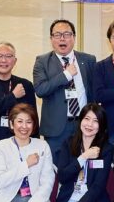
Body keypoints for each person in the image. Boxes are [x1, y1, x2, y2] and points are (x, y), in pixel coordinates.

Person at [34, 19, 96, 157]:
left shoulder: (88, 60)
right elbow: (40, 90)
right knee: (56, 167)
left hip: (84, 125)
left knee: (83, 163)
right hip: (56, 129)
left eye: (67, 34)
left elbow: (94, 91)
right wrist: (66, 75)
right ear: (51, 39)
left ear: (74, 37)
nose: (62, 38)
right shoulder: (42, 61)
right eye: (57, 35)